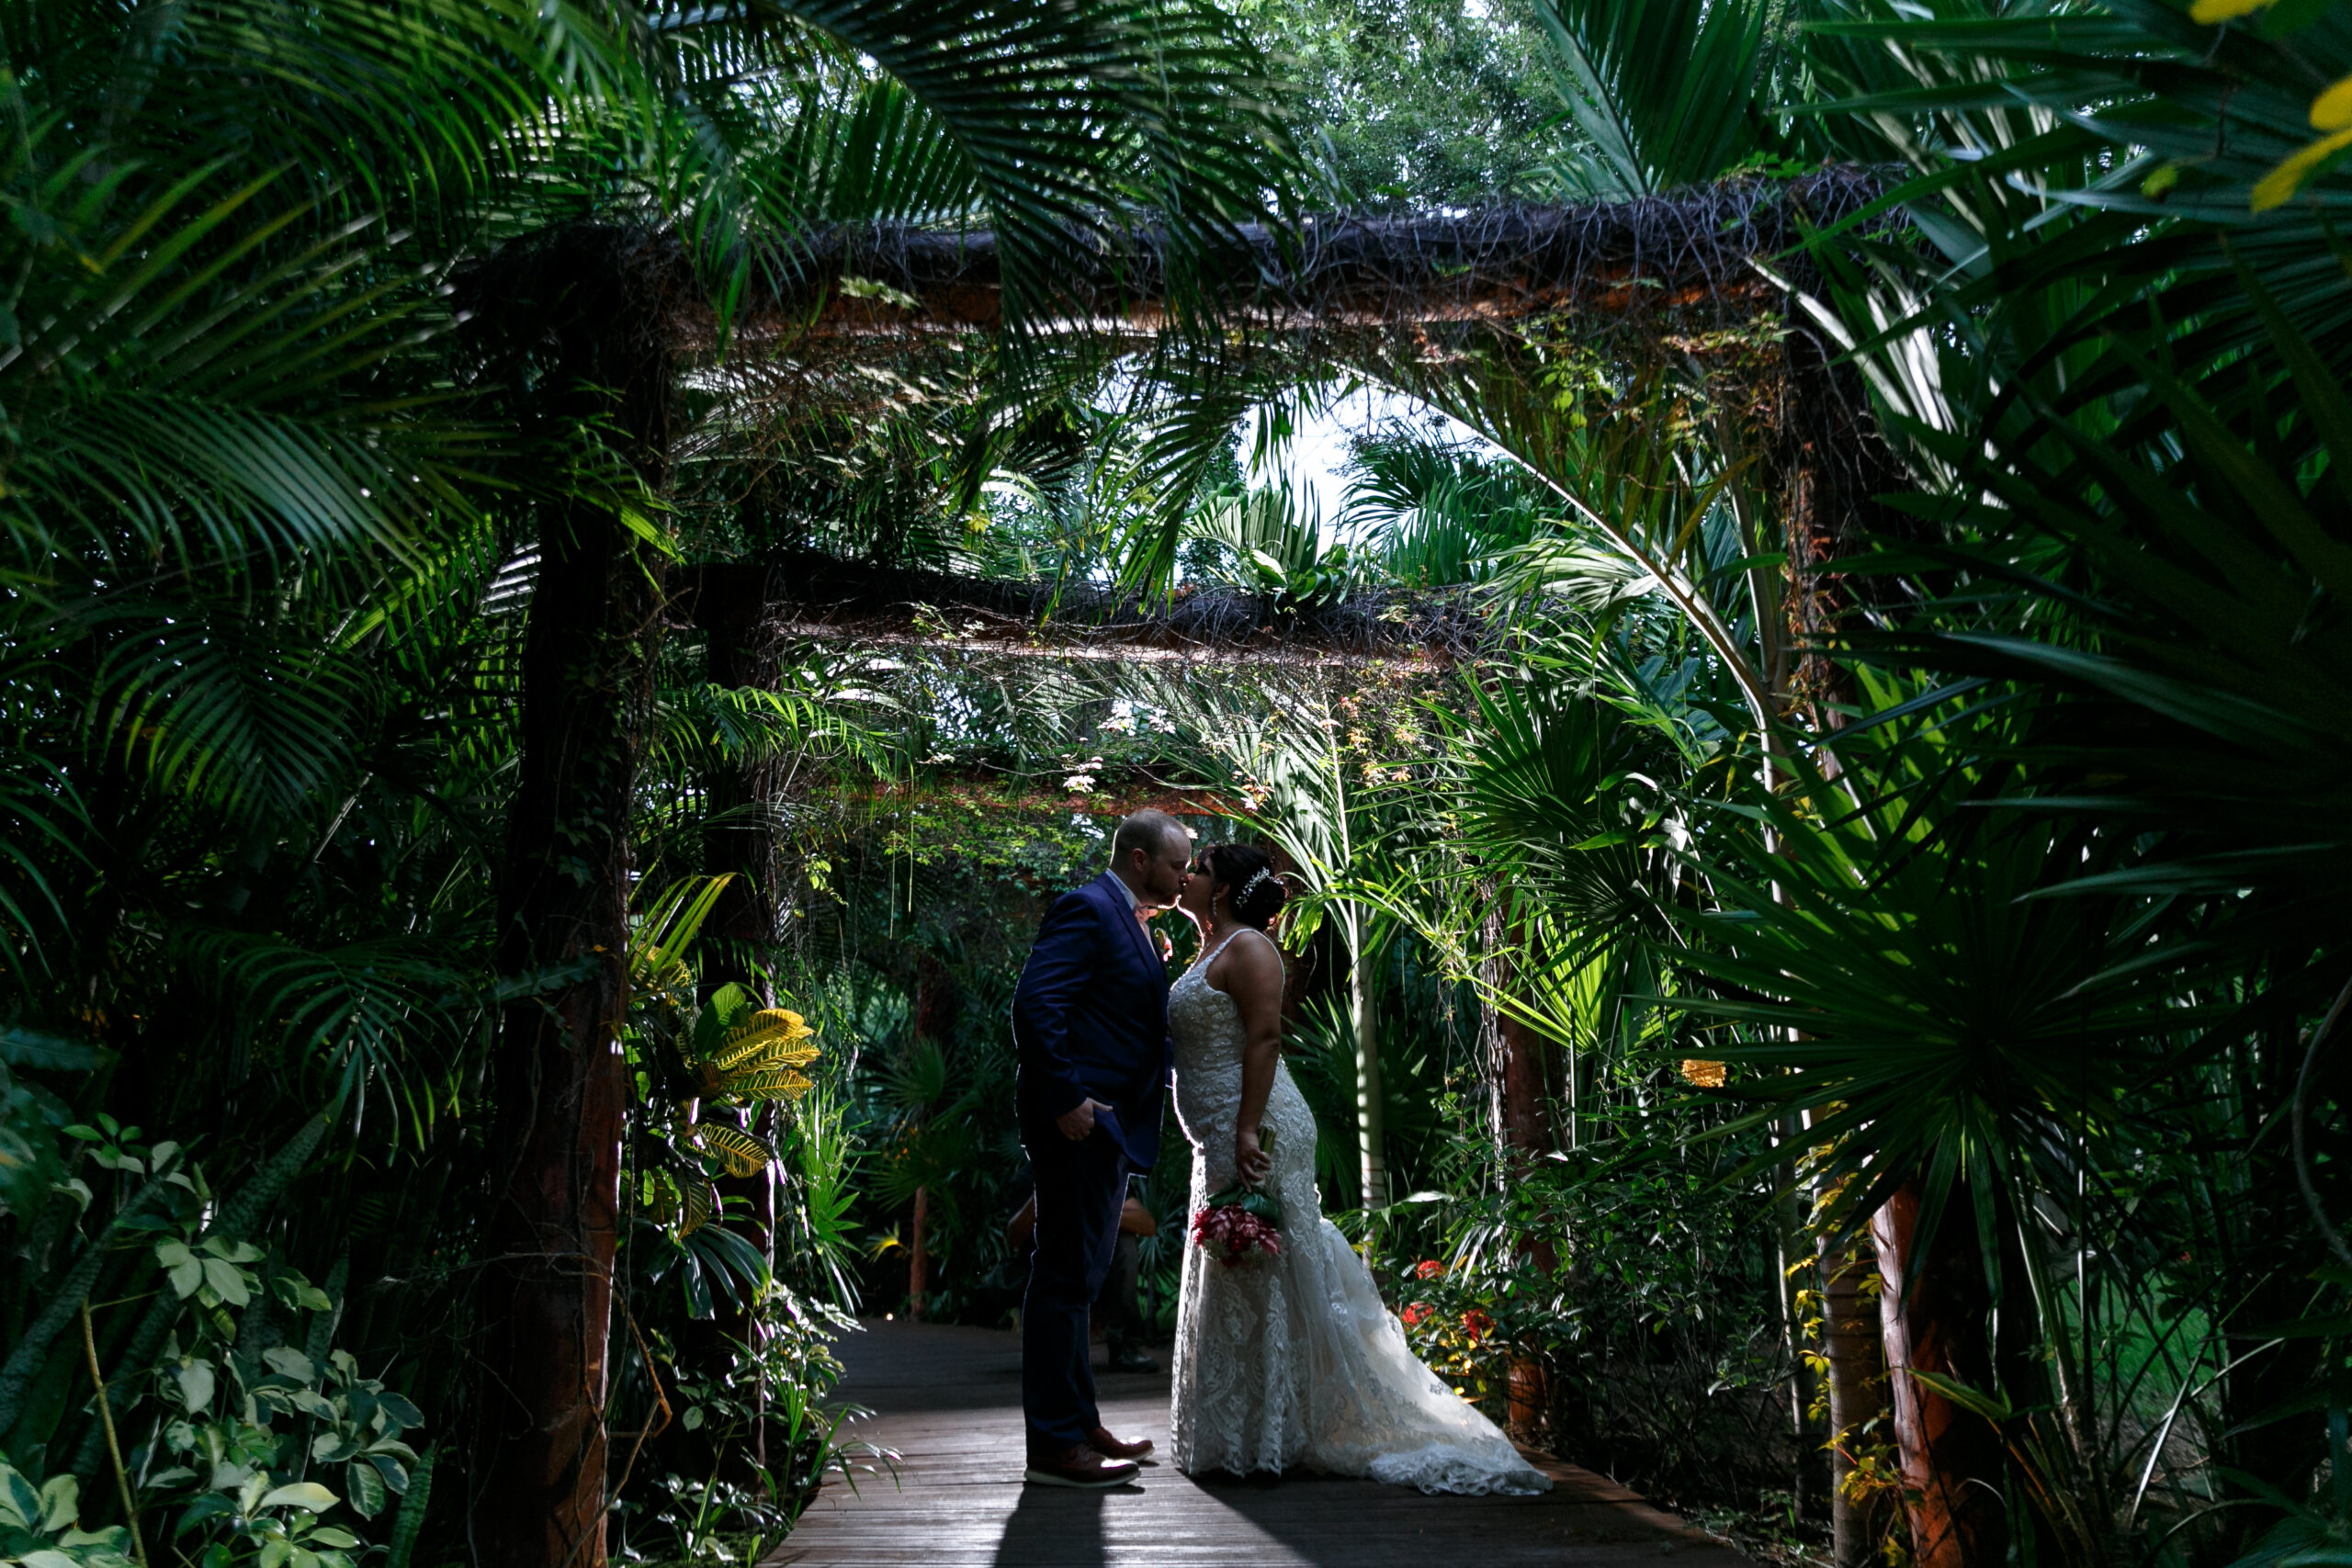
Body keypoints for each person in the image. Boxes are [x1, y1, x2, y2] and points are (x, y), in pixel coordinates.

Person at [1165, 841, 1551, 1495]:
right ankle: (1240, 1429)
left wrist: (1246, 1126)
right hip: (1219, 1134)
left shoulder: (1251, 949)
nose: (1187, 876)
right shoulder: (1204, 947)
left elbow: (1264, 1037)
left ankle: (1273, 1437)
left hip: (1257, 1127)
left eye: (1197, 869)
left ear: (1224, 888)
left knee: (1260, 1264)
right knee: (1237, 1265)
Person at [1010, 809, 1188, 1488]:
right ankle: (1054, 1444)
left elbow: (1119, 1012)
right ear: (1139, 859)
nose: (1184, 875)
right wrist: (1066, 1099)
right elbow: (1036, 1003)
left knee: (1080, 1277)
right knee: (1062, 1277)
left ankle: (1080, 1423)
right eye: (1176, 864)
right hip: (1079, 1123)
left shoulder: (1133, 920)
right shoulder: (1086, 908)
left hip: (1105, 1125)